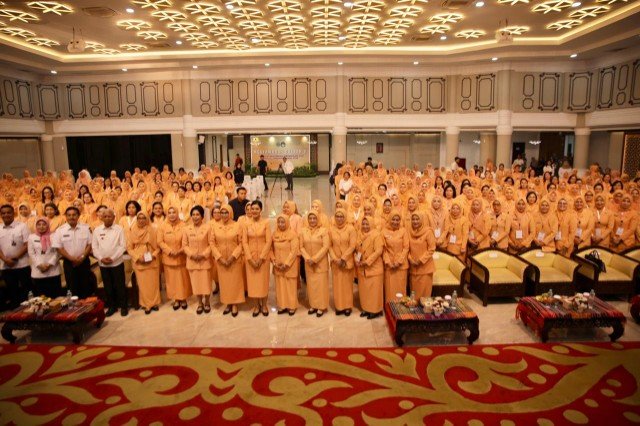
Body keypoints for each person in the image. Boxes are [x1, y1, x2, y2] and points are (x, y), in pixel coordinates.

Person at [92, 208, 128, 317]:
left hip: (117, 263)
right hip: (103, 264)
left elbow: (123, 246)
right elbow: (94, 247)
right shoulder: (97, 230)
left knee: (120, 285)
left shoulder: (119, 229)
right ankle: (112, 307)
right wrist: (101, 258)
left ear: (114, 217)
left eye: (109, 216)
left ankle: (123, 306)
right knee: (108, 286)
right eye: (105, 216)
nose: (107, 218)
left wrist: (113, 258)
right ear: (102, 218)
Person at [210, 204, 244, 317]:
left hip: (234, 259)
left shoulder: (237, 225)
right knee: (225, 283)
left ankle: (235, 304)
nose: (224, 215)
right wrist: (219, 257)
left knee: (235, 282)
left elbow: (241, 243)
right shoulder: (215, 226)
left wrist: (233, 256)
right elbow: (212, 243)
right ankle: (228, 303)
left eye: (226, 212)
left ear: (230, 213)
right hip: (221, 260)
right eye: (222, 212)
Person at [53, 206, 94, 298]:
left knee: (86, 287)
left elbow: (90, 244)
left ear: (78, 216)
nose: (71, 217)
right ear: (66, 216)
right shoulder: (60, 230)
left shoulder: (86, 228)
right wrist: (72, 259)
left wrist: (82, 257)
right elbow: (58, 247)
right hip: (69, 263)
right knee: (72, 288)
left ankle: (86, 306)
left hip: (84, 262)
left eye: (74, 215)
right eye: (69, 215)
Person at [157, 206, 191, 311]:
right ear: (167, 214)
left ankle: (183, 298)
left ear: (177, 214)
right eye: (170, 212)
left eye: (174, 212)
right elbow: (160, 241)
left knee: (183, 280)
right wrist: (169, 251)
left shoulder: (184, 225)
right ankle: (176, 299)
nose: (172, 215)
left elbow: (187, 241)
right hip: (168, 257)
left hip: (182, 256)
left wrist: (180, 250)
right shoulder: (162, 226)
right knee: (171, 280)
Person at [127, 211, 161, 314]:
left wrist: (153, 255)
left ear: (147, 219)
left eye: (143, 218)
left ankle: (155, 303)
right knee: (143, 285)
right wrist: (138, 257)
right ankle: (146, 304)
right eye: (139, 218)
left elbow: (158, 247)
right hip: (139, 261)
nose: (141, 220)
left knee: (154, 284)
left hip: (152, 260)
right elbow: (129, 248)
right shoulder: (132, 231)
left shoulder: (153, 230)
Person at [242, 200, 272, 317]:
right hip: (250, 258)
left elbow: (268, 241)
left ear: (261, 210)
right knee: (253, 283)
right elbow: (244, 242)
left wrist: (261, 258)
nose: (254, 211)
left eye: (256, 209)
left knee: (263, 282)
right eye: (252, 209)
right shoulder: (246, 224)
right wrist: (249, 258)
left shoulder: (266, 223)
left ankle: (264, 305)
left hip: (263, 259)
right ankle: (256, 305)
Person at [0, 204, 32, 308]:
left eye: (8, 212)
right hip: (6, 266)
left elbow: (27, 244)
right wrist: (5, 260)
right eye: (3, 213)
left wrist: (15, 258)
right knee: (12, 292)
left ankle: (28, 312)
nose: (6, 215)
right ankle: (15, 313)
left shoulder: (22, 226)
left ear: (13, 213)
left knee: (26, 291)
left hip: (22, 265)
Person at [182, 205, 212, 314]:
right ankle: (200, 303)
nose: (195, 217)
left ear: (202, 216)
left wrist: (203, 255)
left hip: (205, 260)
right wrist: (192, 255)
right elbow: (184, 245)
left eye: (197, 214)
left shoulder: (208, 228)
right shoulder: (186, 229)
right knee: (196, 284)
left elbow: (211, 244)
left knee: (206, 283)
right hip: (192, 261)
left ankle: (207, 302)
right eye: (193, 215)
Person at [300, 211, 330, 317]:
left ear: (318, 219)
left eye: (314, 218)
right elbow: (301, 246)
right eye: (310, 218)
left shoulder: (323, 230)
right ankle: (313, 305)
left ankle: (321, 306)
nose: (312, 220)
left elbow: (326, 246)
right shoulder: (303, 231)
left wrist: (315, 259)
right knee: (311, 286)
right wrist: (308, 258)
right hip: (308, 263)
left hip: (320, 263)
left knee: (321, 286)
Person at [328, 208, 356, 316]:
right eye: (337, 216)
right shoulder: (331, 229)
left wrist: (343, 258)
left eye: (341, 216)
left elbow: (352, 245)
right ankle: (339, 307)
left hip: (346, 262)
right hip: (336, 262)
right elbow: (329, 246)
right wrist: (335, 259)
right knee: (337, 286)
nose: (339, 219)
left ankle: (347, 306)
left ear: (345, 217)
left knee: (347, 286)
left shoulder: (351, 229)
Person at [355, 216, 384, 319]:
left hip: (373, 267)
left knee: (374, 291)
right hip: (362, 268)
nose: (365, 226)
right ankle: (366, 309)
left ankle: (375, 310)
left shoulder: (377, 234)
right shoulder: (359, 234)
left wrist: (367, 262)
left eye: (367, 224)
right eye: (363, 224)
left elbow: (378, 251)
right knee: (365, 291)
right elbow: (358, 249)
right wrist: (357, 260)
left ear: (371, 224)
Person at [271, 214, 300, 315]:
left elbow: (294, 251)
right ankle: (282, 305)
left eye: (283, 222)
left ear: (287, 223)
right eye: (279, 222)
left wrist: (286, 264)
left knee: (290, 286)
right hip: (278, 266)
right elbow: (271, 249)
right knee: (280, 287)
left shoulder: (292, 234)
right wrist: (274, 261)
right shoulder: (274, 234)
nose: (280, 224)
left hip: (289, 266)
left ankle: (292, 306)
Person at [28, 217, 62, 298]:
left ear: (48, 225)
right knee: (41, 298)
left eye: (44, 224)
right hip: (38, 271)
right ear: (36, 226)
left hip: (53, 270)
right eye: (39, 224)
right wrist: (39, 265)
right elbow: (31, 253)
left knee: (55, 297)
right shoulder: (31, 237)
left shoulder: (54, 236)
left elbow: (58, 252)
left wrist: (49, 264)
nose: (41, 226)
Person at [383, 211, 409, 302]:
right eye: (393, 219)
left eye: (397, 220)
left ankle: (401, 308)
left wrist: (399, 262)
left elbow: (406, 248)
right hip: (389, 265)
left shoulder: (403, 231)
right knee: (389, 289)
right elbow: (383, 249)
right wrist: (388, 262)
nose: (395, 222)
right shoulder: (384, 231)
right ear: (389, 219)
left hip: (401, 266)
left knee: (401, 288)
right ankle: (389, 308)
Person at [408, 212, 436, 298]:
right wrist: (410, 259)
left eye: (417, 219)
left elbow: (432, 248)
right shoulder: (409, 231)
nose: (415, 221)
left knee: (424, 296)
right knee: (414, 293)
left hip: (425, 268)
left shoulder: (428, 232)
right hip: (413, 267)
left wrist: (421, 260)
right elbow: (406, 247)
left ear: (422, 220)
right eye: (413, 219)